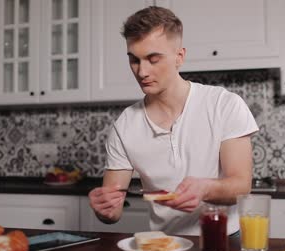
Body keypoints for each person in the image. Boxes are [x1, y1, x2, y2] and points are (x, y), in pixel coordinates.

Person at [88, 6, 258, 236]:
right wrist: (103, 209)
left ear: (179, 57)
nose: (142, 71)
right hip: (164, 244)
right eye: (134, 60)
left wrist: (206, 188)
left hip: (225, 237)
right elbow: (113, 212)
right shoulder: (124, 126)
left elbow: (241, 185)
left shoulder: (224, 104)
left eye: (153, 59)